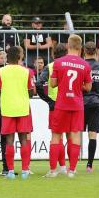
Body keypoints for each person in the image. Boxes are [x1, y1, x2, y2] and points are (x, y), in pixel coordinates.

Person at [46, 34, 92, 178]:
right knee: (75, 135)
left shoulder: (59, 62)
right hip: (77, 104)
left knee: (56, 135)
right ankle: (72, 170)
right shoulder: (85, 65)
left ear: (67, 45)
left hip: (61, 104)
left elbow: (52, 84)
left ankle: (53, 170)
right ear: (80, 48)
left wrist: (63, 81)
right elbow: (88, 87)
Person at [0, 46, 36, 180]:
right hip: (23, 108)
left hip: (7, 108)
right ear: (19, 56)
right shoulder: (27, 72)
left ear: (8, 57)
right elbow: (31, 92)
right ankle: (24, 170)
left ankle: (11, 171)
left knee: (9, 141)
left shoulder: (0, 71)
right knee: (24, 140)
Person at [36, 43, 68, 175]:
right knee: (69, 136)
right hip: (71, 104)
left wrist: (48, 100)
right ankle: (66, 168)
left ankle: (53, 170)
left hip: (56, 105)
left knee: (56, 136)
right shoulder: (71, 65)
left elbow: (38, 84)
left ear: (53, 54)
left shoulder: (50, 66)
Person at [82, 42, 99, 172]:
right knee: (92, 135)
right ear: (96, 51)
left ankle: (72, 166)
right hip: (95, 102)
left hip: (80, 103)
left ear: (84, 51)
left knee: (74, 134)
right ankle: (89, 165)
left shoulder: (80, 66)